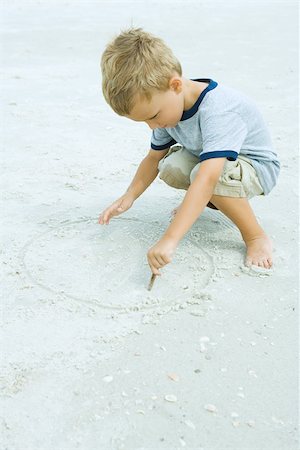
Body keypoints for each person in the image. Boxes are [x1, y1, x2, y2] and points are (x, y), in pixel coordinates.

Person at [98, 28, 280, 276]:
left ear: (174, 85)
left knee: (204, 177)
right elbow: (153, 158)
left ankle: (256, 236)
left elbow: (207, 178)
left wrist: (170, 239)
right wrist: (129, 196)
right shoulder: (168, 110)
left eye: (153, 116)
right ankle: (209, 200)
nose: (152, 126)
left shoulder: (218, 110)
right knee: (172, 166)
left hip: (255, 168)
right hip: (213, 165)